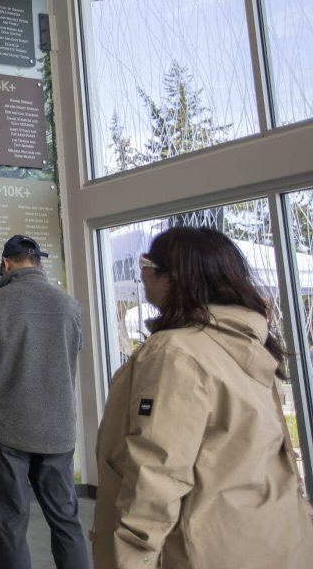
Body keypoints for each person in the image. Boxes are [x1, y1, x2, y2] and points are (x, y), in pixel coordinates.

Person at [94, 227, 313, 568]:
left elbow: (157, 470)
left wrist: (134, 558)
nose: (142, 272)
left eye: (149, 263)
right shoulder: (250, 341)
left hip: (202, 546)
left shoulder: (175, 351)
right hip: (272, 535)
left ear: (174, 277)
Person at [0, 234, 89, 569]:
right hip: (58, 430)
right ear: (39, 263)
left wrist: (1, 361)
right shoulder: (70, 306)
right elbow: (66, 354)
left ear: (6, 264)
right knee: (66, 519)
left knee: (11, 522)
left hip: (6, 429)